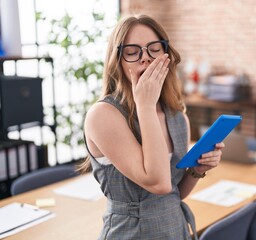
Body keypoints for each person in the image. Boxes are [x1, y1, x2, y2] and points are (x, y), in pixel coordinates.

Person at [80, 14, 225, 240]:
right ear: (117, 61)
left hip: (175, 228)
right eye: (132, 52)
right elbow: (157, 183)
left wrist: (198, 170)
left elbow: (173, 192)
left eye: (154, 49)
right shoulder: (103, 115)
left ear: (166, 55)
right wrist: (145, 105)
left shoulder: (177, 117)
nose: (145, 58)